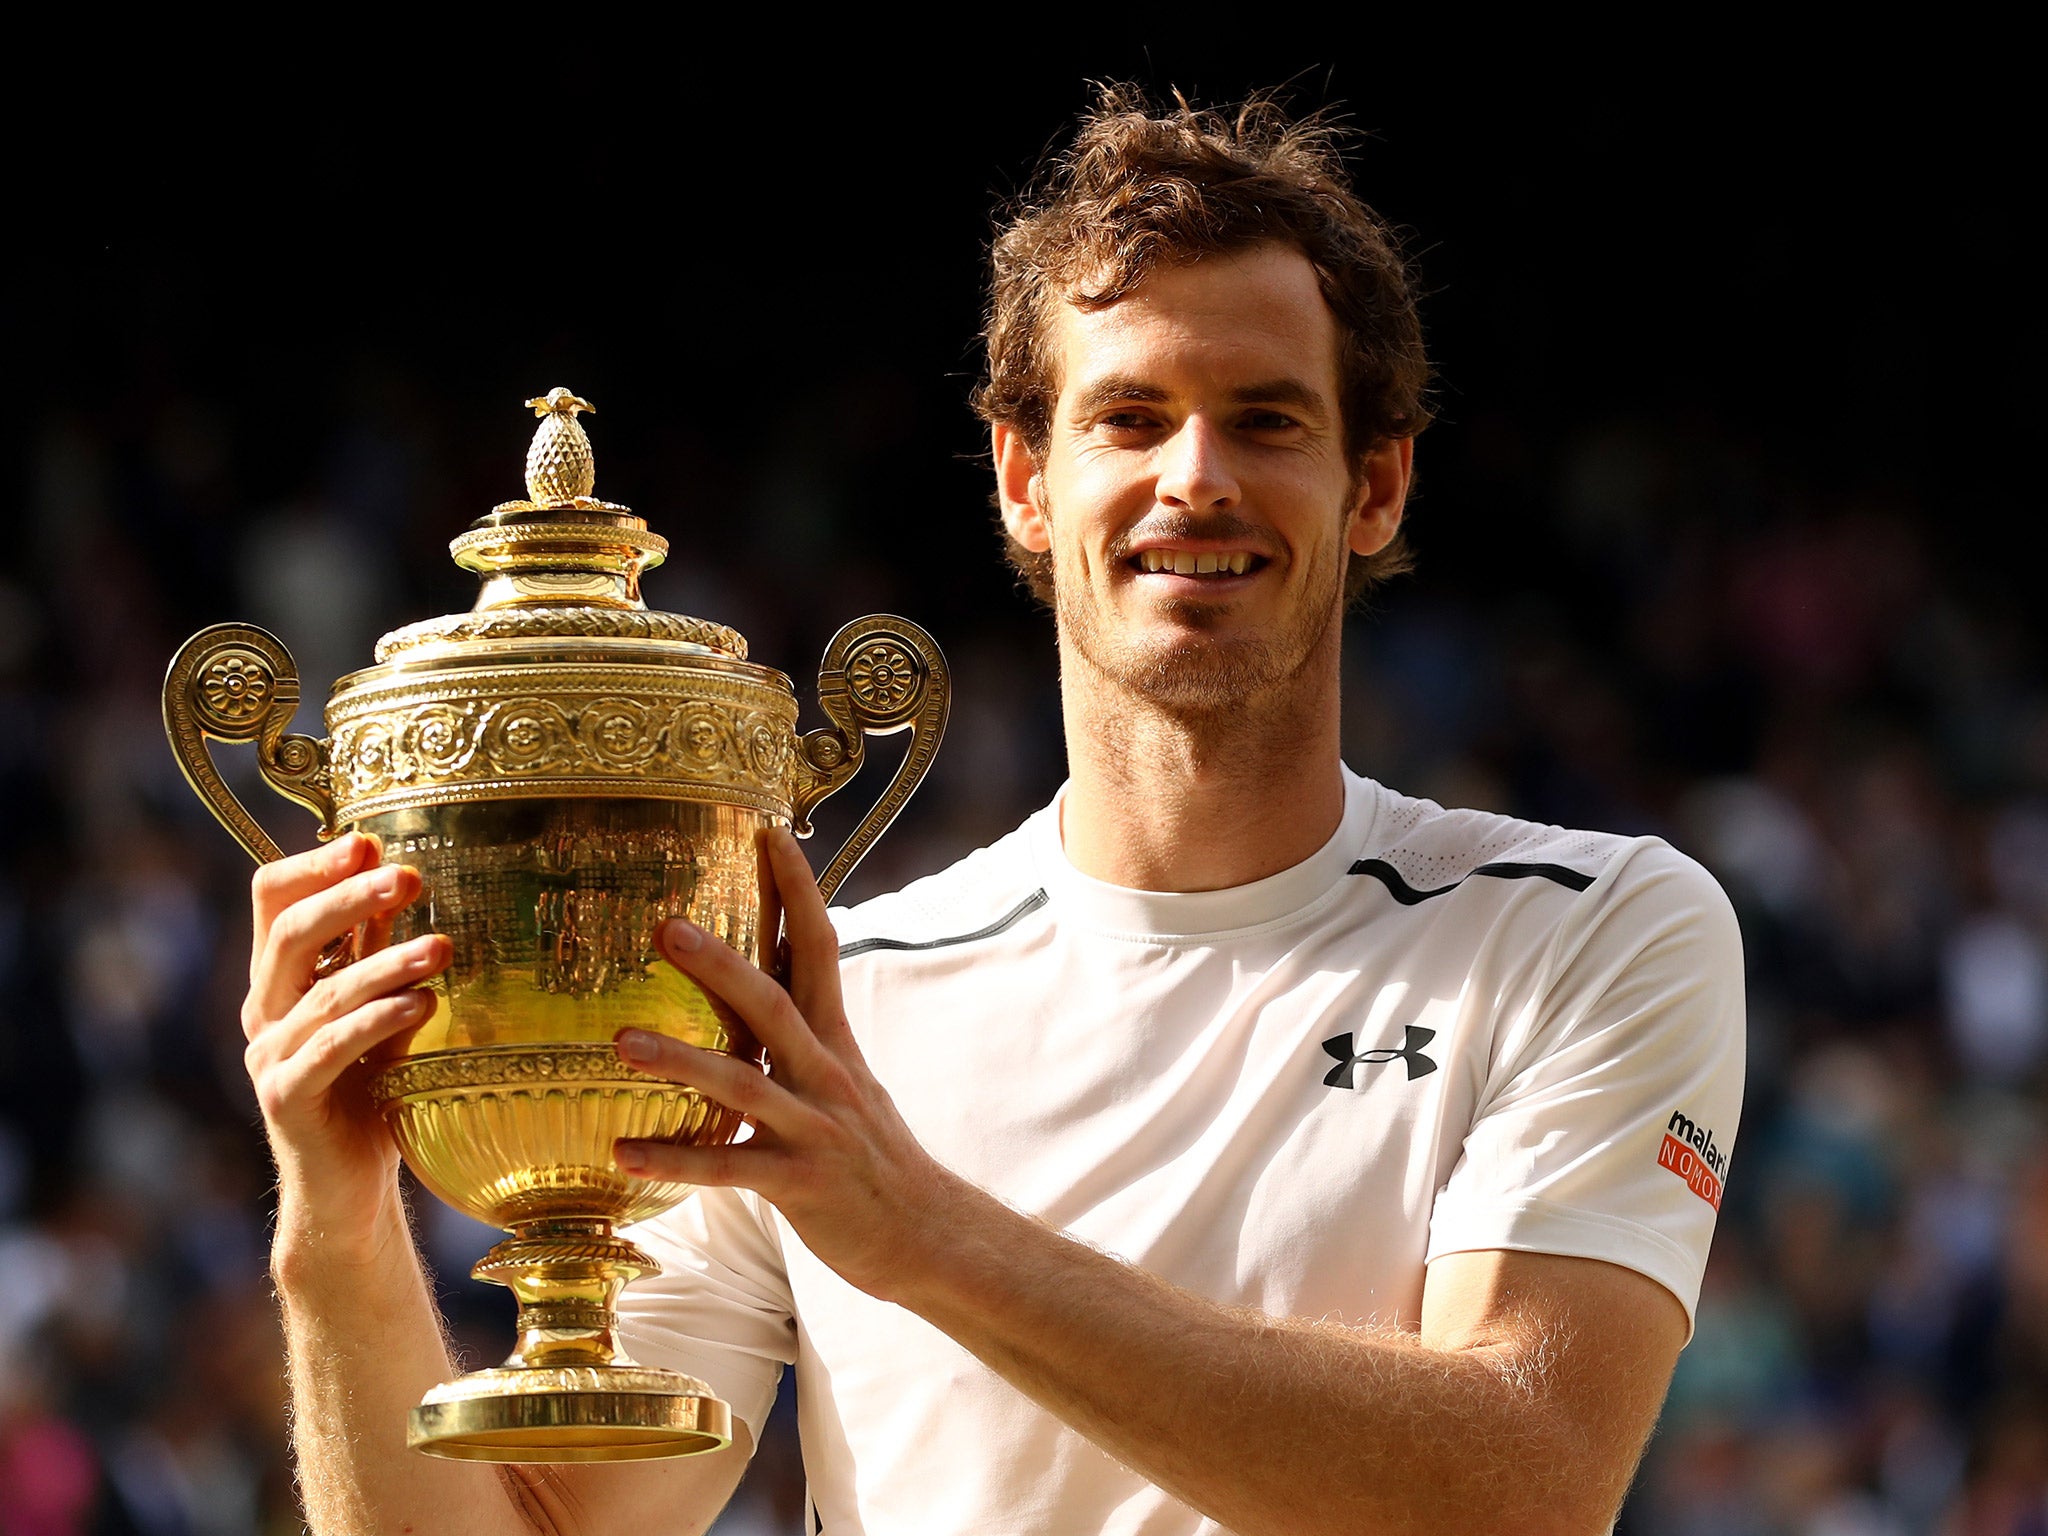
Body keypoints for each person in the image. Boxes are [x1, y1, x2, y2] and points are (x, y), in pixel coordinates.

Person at [240, 88, 1743, 1536]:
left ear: (1378, 486)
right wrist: (336, 1233)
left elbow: (1524, 1489)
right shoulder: (821, 1013)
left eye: (1267, 421)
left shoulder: (1593, 930)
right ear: (1025, 477)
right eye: (1130, 418)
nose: (1196, 478)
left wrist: (924, 1235)